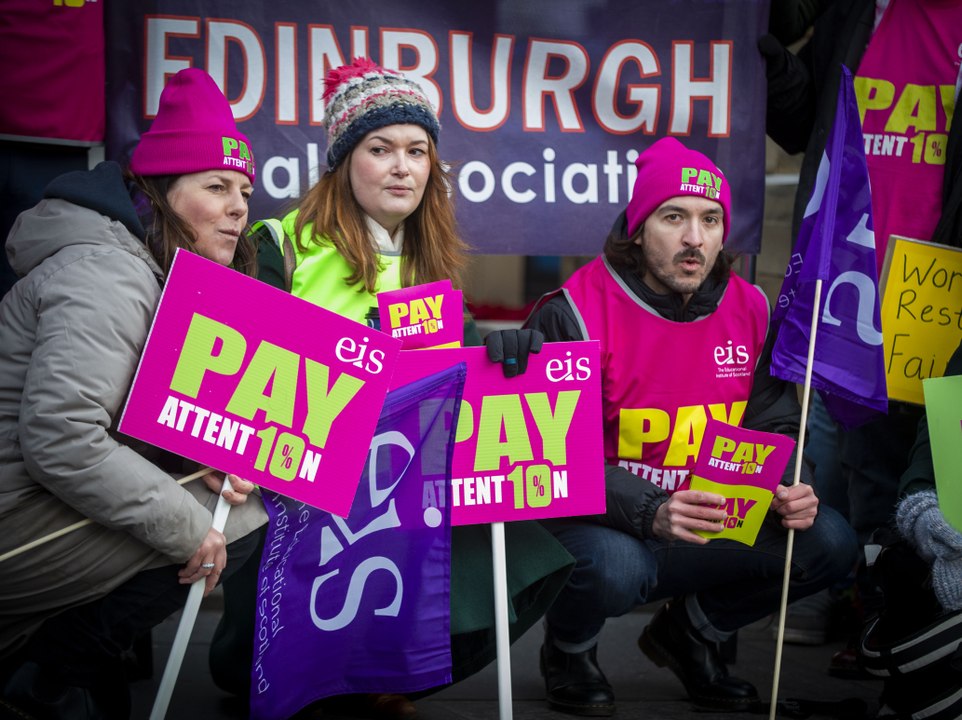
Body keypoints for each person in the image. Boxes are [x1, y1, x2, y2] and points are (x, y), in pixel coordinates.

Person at [208, 57, 574, 719]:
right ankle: (309, 669)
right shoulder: (277, 244)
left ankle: (379, 674)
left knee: (533, 551)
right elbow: (232, 382)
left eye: (417, 150)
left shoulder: (428, 263)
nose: (402, 166)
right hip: (299, 490)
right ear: (345, 160)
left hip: (398, 491)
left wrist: (498, 355)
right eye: (380, 149)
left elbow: (452, 389)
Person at [520, 137, 858, 716]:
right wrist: (652, 508)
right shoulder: (571, 311)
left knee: (828, 540)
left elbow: (775, 419)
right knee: (615, 567)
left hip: (710, 521)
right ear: (637, 225)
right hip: (608, 528)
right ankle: (569, 650)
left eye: (710, 219)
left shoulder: (751, 306)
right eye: (673, 217)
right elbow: (550, 460)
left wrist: (792, 480)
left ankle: (690, 633)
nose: (694, 239)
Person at [0, 68, 268, 720]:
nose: (239, 206)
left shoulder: (139, 265)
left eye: (244, 190)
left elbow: (123, 423)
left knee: (237, 490)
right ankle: (42, 681)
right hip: (14, 525)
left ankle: (74, 666)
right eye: (216, 187)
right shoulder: (109, 274)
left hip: (32, 508)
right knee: (244, 521)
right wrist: (187, 529)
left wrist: (203, 462)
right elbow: (62, 438)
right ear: (158, 193)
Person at [760, 0, 962, 657]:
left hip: (933, 276)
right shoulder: (854, 11)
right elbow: (801, 126)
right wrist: (772, 64)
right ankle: (838, 599)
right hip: (846, 265)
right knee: (824, 441)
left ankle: (891, 615)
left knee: (900, 456)